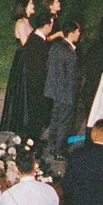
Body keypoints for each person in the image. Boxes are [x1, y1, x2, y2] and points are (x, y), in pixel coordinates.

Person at [0, 5, 51, 154]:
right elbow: (26, 44)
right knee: (28, 100)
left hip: (30, 62)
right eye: (30, 4)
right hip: (25, 64)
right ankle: (27, 138)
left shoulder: (27, 23)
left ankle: (32, 137)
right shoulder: (22, 24)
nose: (33, 6)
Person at [42, 18, 80, 163]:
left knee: (55, 119)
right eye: (77, 32)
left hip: (54, 90)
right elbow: (72, 76)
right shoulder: (70, 53)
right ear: (71, 33)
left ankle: (52, 145)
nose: (79, 34)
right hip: (67, 93)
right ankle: (59, 150)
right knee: (64, 122)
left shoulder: (55, 46)